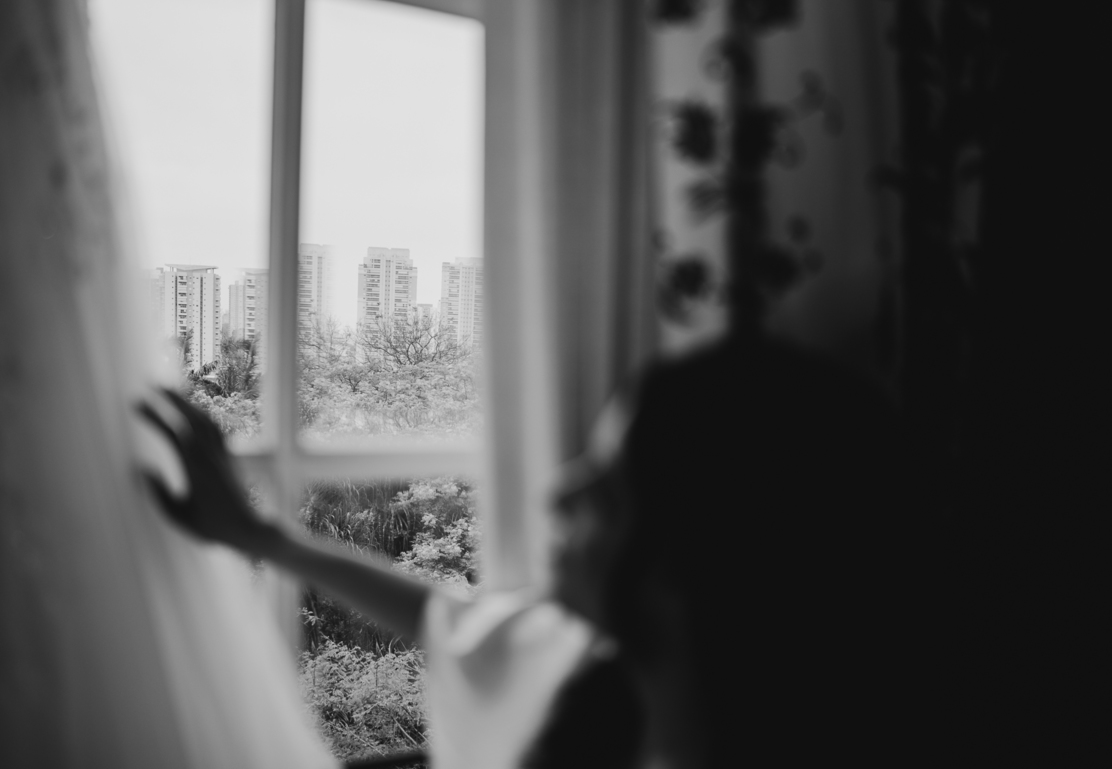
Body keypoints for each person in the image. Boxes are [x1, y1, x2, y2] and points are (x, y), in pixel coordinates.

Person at [139, 328, 942, 768]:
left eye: (610, 490)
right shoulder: (588, 669)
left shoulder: (590, 685)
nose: (559, 492)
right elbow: (444, 620)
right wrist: (259, 537)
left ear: (696, 570)